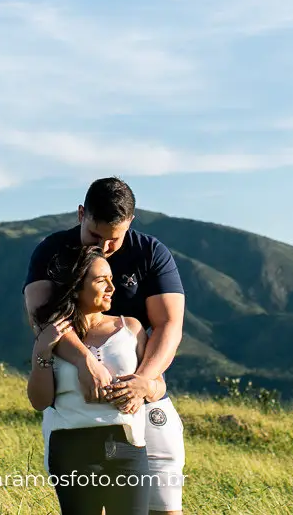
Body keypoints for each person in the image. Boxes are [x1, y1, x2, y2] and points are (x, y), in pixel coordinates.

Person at [24, 178, 187, 515]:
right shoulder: (52, 251)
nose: (105, 246)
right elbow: (43, 319)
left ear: (131, 222)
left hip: (144, 398)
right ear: (81, 214)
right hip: (75, 417)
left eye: (115, 238)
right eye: (95, 236)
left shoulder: (150, 252)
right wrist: (85, 362)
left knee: (166, 506)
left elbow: (169, 324)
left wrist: (144, 381)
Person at [28, 245, 161, 514]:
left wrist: (145, 387)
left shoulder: (130, 328)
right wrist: (42, 352)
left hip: (127, 447)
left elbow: (158, 387)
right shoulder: (52, 335)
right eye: (101, 281)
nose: (112, 287)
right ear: (76, 287)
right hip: (71, 449)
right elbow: (39, 401)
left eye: (111, 279)